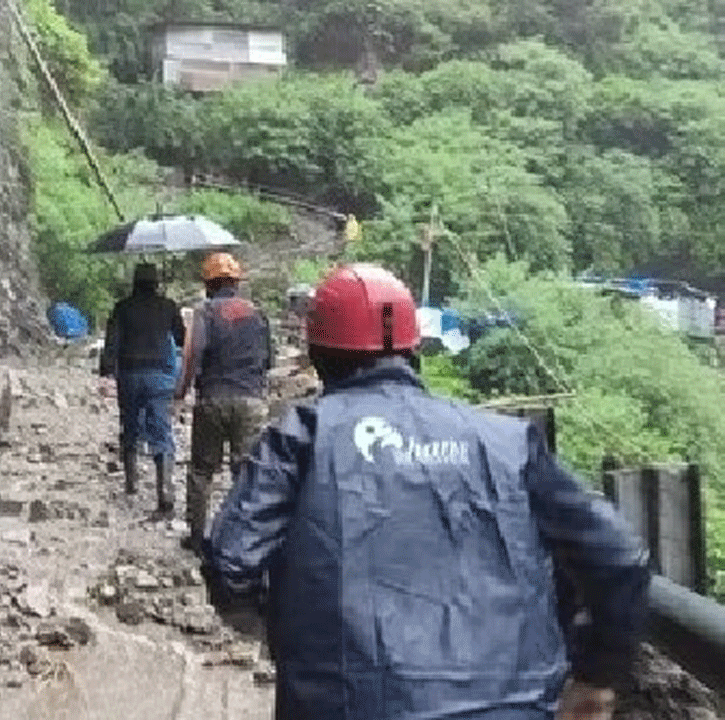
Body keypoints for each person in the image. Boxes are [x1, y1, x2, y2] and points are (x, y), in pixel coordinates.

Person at [203, 263, 651, 720]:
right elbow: (620, 558)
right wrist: (596, 676)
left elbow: (231, 564)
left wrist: (296, 636)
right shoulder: (508, 443)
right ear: (414, 348)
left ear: (317, 353)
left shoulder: (302, 435)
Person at [173, 251, 272, 553]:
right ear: (236, 283)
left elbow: (192, 355)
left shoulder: (204, 313)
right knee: (246, 472)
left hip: (213, 399)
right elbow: (269, 359)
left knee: (202, 471)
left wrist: (180, 393)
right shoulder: (258, 314)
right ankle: (244, 539)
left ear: (209, 284)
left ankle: (197, 537)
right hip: (251, 401)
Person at [99, 262, 186, 513]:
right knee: (161, 429)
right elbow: (181, 338)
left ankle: (131, 482)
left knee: (130, 425)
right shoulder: (168, 306)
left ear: (134, 283)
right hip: (160, 375)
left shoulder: (122, 307)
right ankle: (165, 489)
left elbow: (112, 343)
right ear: (156, 283)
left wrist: (106, 372)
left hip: (130, 374)